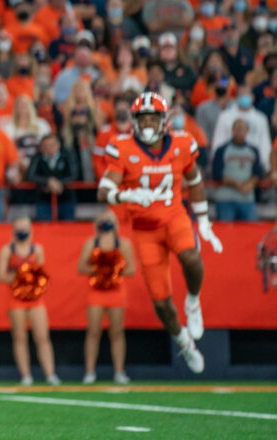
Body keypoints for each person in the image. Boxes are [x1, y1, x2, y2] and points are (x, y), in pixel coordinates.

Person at [99, 91, 221, 373]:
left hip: (175, 217)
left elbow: (195, 180)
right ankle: (183, 341)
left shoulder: (182, 143)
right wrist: (125, 196)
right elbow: (103, 190)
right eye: (143, 119)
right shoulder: (121, 147)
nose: (148, 124)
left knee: (191, 257)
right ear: (133, 121)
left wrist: (202, 219)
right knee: (161, 302)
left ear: (164, 120)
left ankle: (193, 302)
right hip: (144, 230)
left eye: (153, 118)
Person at [0, 216, 60, 386]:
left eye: (26, 228)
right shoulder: (7, 250)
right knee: (20, 337)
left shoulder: (37, 249)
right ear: (13, 231)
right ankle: (26, 375)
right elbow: (1, 275)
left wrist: (31, 280)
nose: (23, 231)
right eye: (19, 228)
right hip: (15, 298)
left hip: (35, 298)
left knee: (42, 336)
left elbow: (42, 273)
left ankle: (50, 374)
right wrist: (19, 276)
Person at [77, 210, 136, 384]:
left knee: (117, 332)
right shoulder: (91, 243)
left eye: (109, 220)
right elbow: (81, 267)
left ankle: (119, 371)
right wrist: (99, 272)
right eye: (103, 219)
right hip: (96, 292)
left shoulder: (123, 244)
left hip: (116, 292)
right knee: (93, 332)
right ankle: (89, 372)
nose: (106, 222)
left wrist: (113, 272)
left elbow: (131, 269)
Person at [210, 118, 263, 221]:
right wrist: (236, 184)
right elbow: (217, 174)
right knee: (226, 231)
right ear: (232, 130)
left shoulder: (253, 150)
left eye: (242, 129)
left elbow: (258, 173)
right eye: (237, 128)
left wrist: (250, 184)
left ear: (247, 131)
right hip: (225, 198)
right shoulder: (222, 150)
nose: (240, 131)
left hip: (247, 198)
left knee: (252, 230)